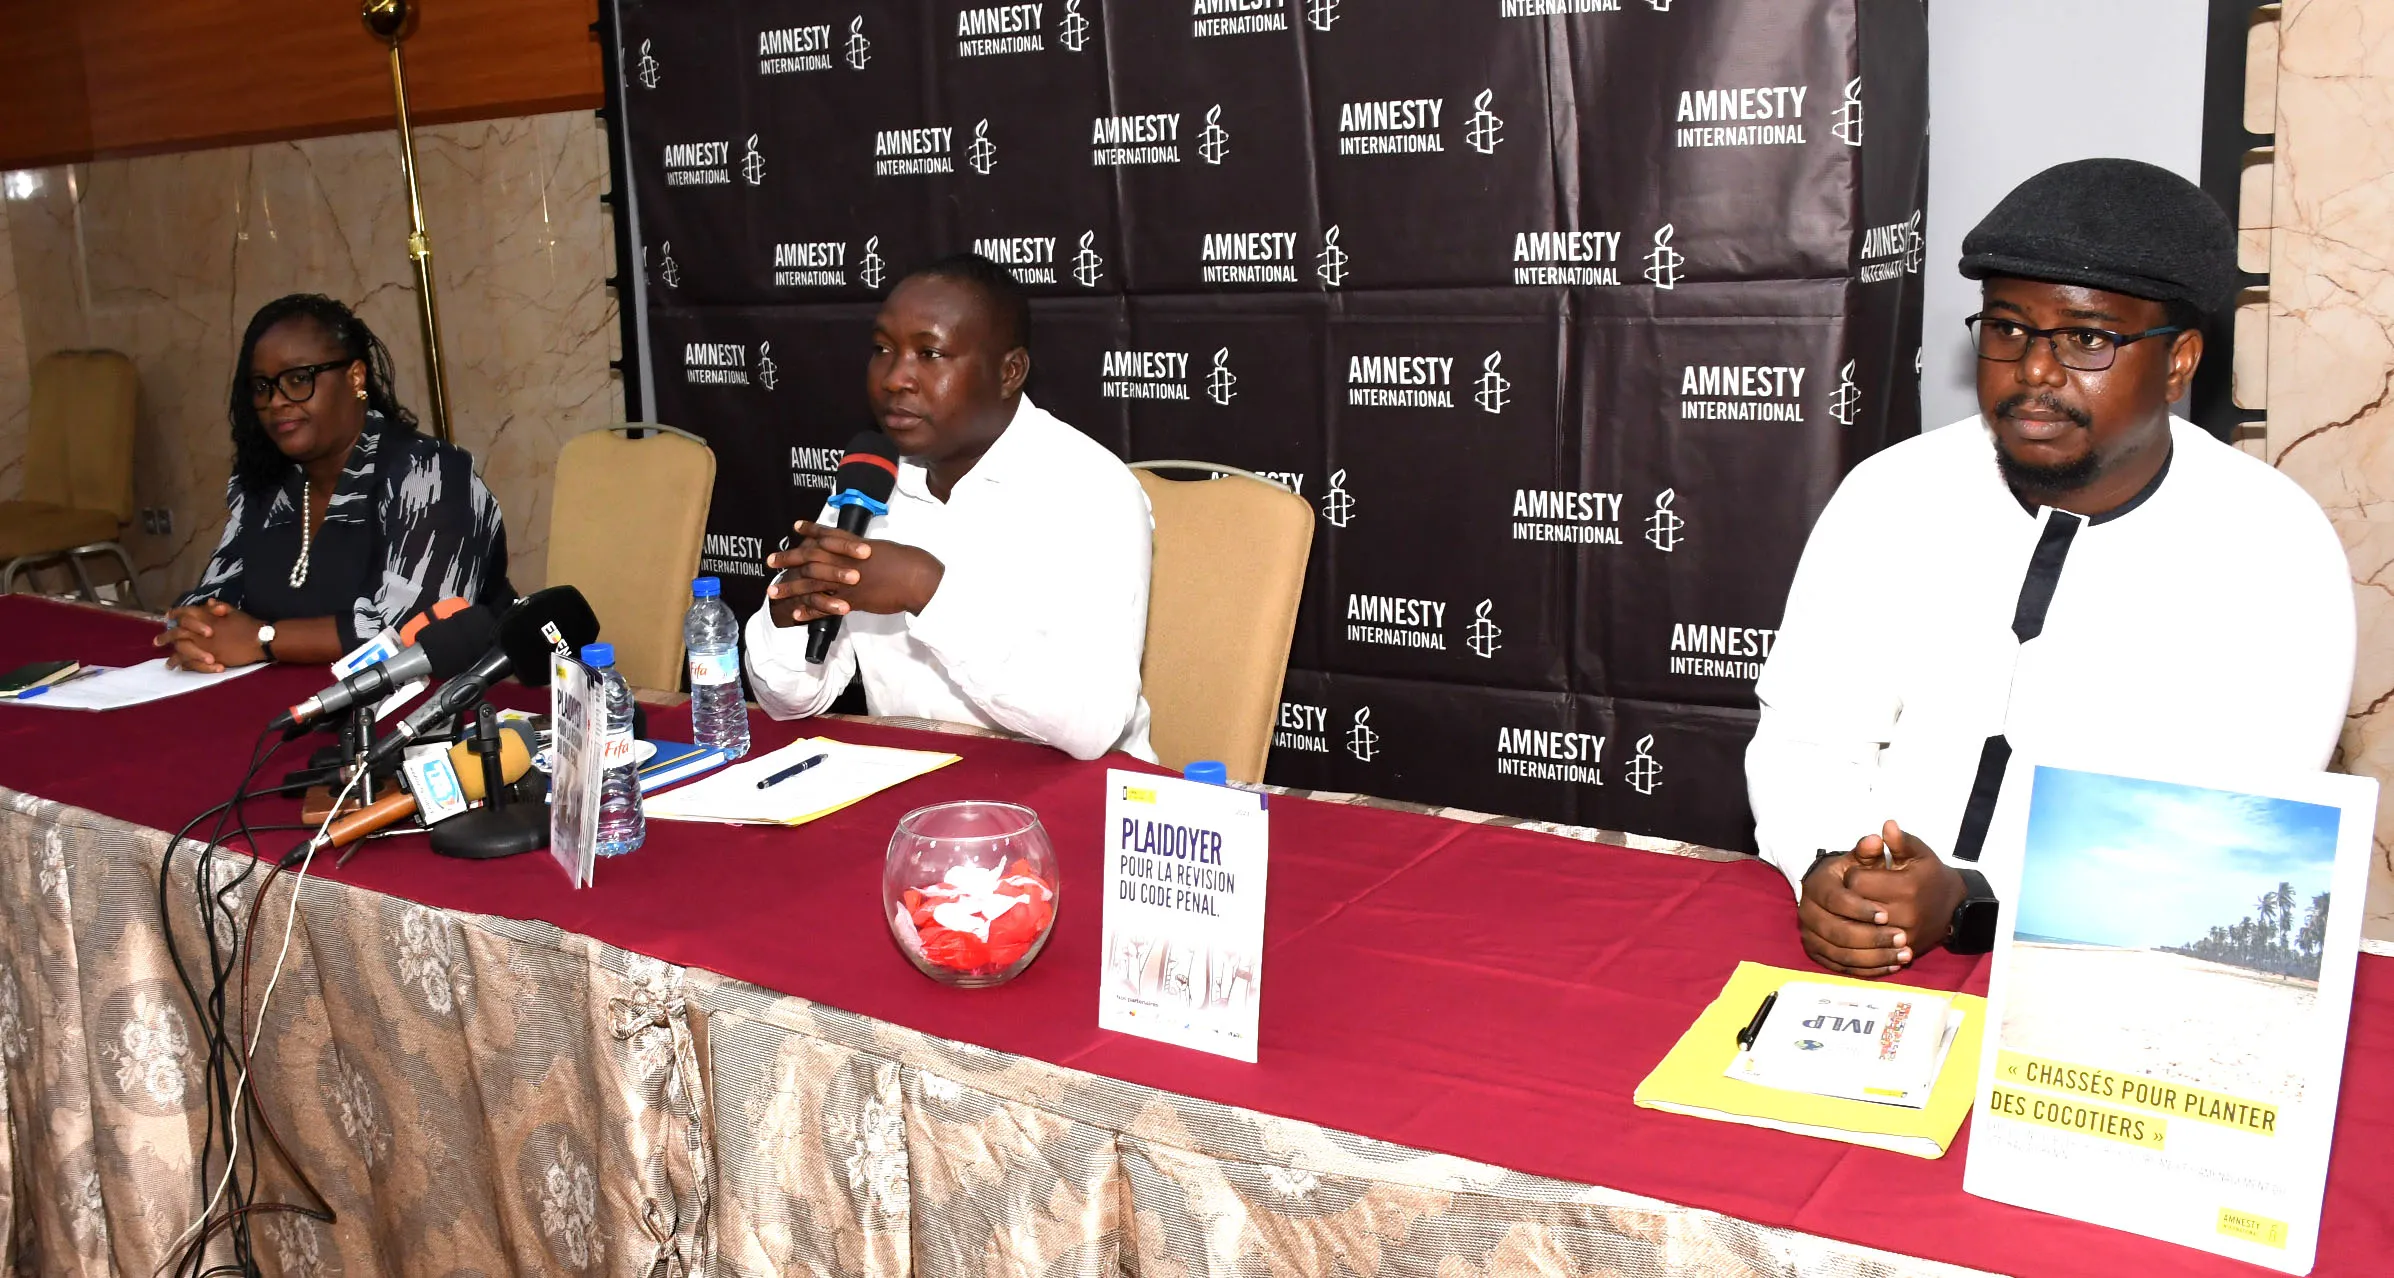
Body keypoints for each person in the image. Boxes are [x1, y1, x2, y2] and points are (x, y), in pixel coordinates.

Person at [1747, 159, 2355, 977]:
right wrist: (1835, 869)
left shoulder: (2274, 546)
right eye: (2008, 329)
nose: (2034, 370)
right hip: (1877, 943)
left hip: (2116, 977)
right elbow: (1808, 738)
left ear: (2179, 363)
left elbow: (2230, 843)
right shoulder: (1892, 493)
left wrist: (1972, 900)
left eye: (2087, 339)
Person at [744, 253, 1156, 761]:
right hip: (907, 782)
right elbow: (792, 704)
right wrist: (786, 619)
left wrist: (925, 589)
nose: (895, 379)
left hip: (1074, 792)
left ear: (1009, 372)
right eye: (883, 349)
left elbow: (1092, 726)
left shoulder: (1089, 489)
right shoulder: (871, 482)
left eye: (930, 354)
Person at [159, 294, 512, 671]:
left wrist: (264, 638)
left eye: (298, 380)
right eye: (262, 387)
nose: (276, 401)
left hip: (445, 699)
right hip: (290, 694)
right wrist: (199, 629)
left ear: (355, 376)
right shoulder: (267, 484)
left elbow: (413, 629)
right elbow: (211, 599)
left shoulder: (429, 474)